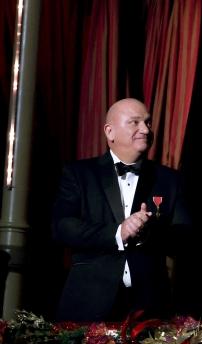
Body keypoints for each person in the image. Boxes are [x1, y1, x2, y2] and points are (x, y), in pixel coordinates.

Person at [52, 98, 191, 322]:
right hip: (88, 302)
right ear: (110, 132)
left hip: (149, 307)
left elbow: (185, 238)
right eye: (134, 122)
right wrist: (119, 232)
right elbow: (62, 227)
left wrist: (148, 233)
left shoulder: (170, 180)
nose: (145, 129)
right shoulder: (79, 174)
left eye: (147, 122)